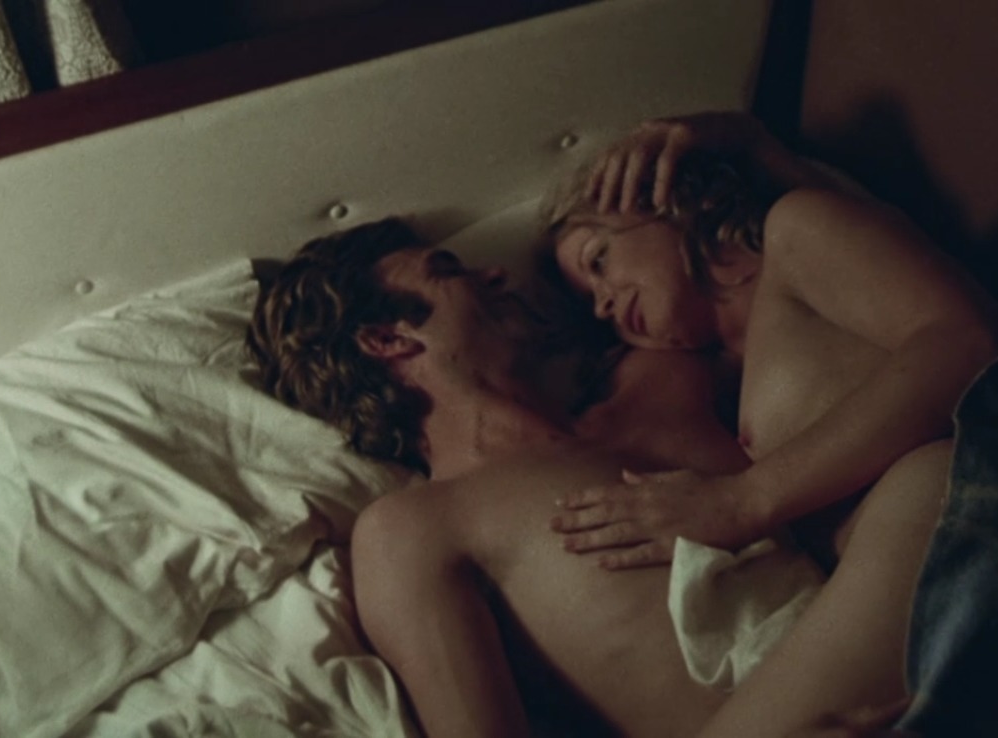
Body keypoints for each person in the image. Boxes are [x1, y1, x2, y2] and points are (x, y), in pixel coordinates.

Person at [246, 216, 939, 736]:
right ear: (389, 338)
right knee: (928, 485)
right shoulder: (413, 527)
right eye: (449, 271)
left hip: (903, 653)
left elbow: (799, 286)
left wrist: (755, 150)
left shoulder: (659, 379)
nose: (495, 276)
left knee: (931, 480)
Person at [540, 111, 998, 734]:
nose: (604, 303)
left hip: (952, 501)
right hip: (902, 586)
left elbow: (970, 341)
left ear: (666, 201)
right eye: (590, 304)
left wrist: (743, 499)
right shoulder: (724, 374)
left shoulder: (795, 230)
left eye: (599, 260)